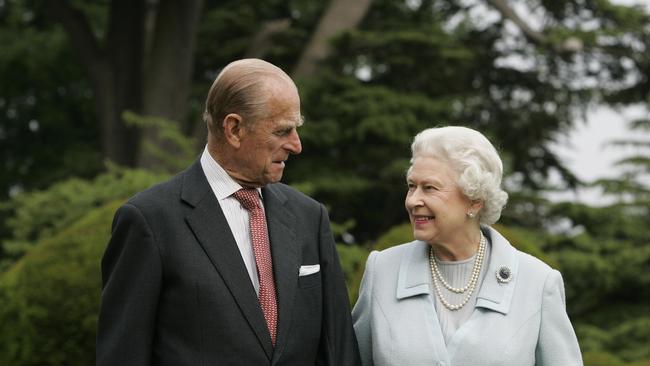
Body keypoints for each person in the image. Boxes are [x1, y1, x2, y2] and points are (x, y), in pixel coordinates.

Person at [97, 58, 360, 366]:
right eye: (282, 131)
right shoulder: (149, 221)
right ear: (234, 129)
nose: (296, 145)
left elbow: (339, 351)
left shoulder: (309, 217)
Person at [352, 126, 583, 366]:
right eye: (412, 186)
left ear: (474, 201)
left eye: (429, 188)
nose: (413, 200)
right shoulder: (382, 271)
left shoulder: (537, 282)